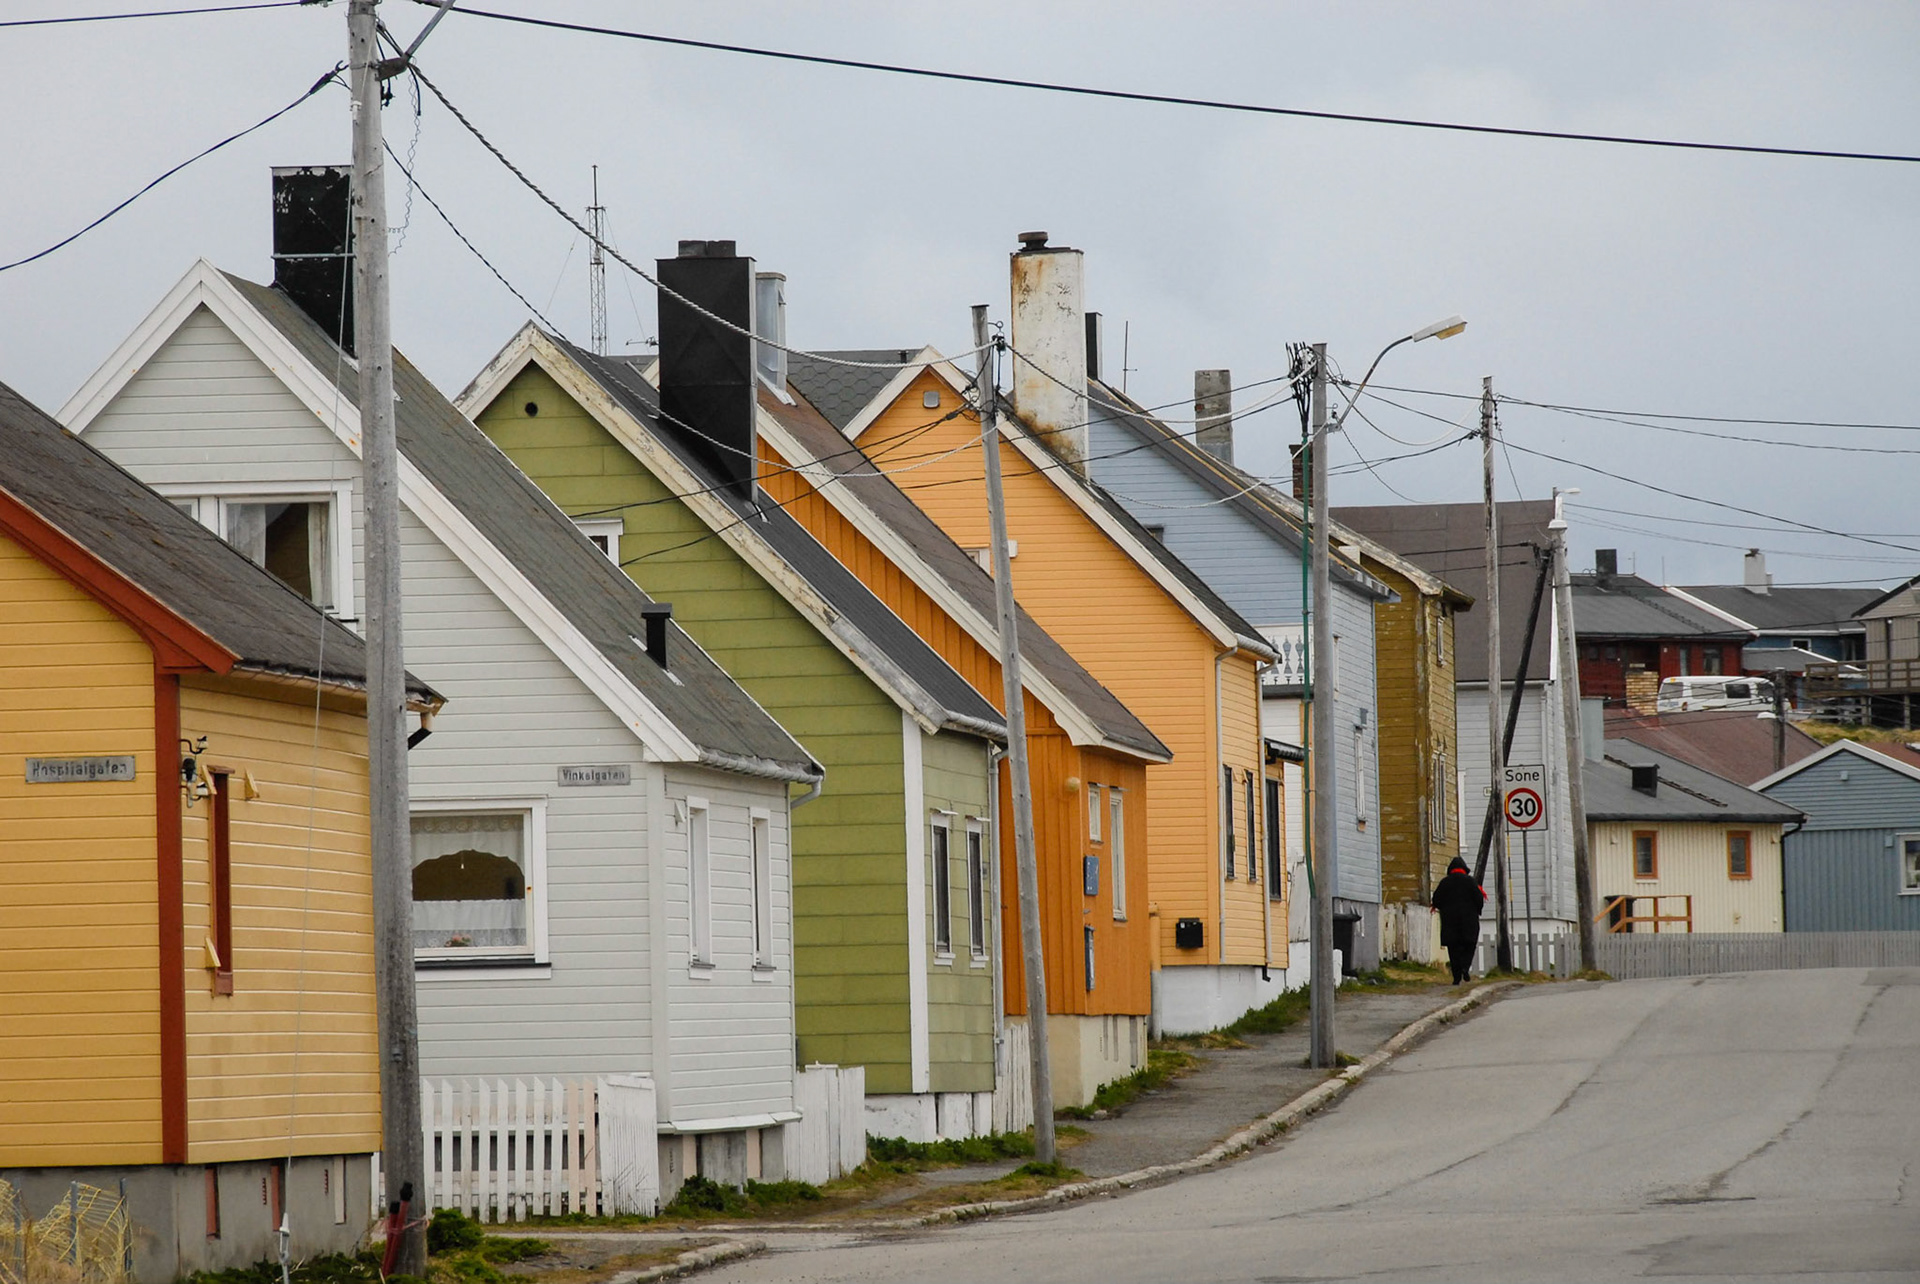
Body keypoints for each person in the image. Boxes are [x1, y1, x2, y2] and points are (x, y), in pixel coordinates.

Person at [1431, 856, 1486, 984]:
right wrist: (1476, 911)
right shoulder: (1471, 882)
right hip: (1469, 921)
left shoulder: (1445, 882)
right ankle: (1465, 968)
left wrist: (1444, 907)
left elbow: (1436, 900)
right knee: (1469, 945)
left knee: (1453, 948)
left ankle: (1456, 978)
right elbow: (1479, 899)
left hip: (1450, 922)